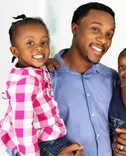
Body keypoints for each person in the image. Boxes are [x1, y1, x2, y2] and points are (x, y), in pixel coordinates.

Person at [19, 2, 126, 156]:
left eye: (109, 34)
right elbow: (16, 143)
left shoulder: (114, 79)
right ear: (75, 29)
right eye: (96, 29)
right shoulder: (42, 78)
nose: (103, 40)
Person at [0, 15, 83, 156]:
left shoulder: (32, 68)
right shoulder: (25, 83)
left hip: (49, 135)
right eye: (30, 43)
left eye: (44, 42)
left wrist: (45, 62)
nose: (39, 47)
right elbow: (23, 125)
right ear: (15, 51)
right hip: (40, 144)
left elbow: (36, 57)